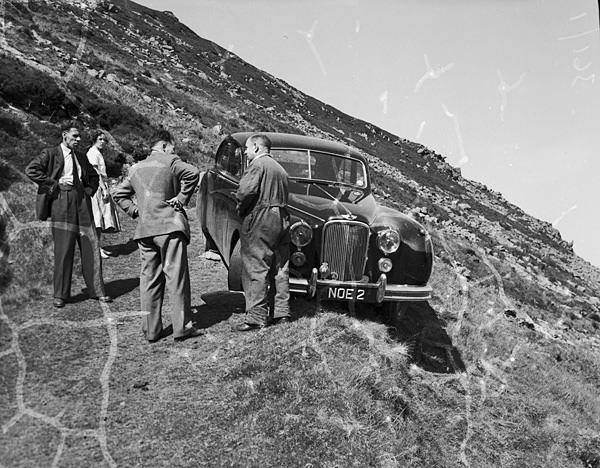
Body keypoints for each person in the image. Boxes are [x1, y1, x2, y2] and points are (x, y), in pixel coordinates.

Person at [113, 129, 203, 342]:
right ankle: (182, 327)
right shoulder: (170, 161)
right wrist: (181, 198)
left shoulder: (136, 168)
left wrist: (135, 211)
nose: (175, 151)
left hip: (145, 231)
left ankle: (151, 331)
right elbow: (193, 172)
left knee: (149, 281)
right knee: (176, 278)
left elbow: (118, 193)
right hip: (169, 228)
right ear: (164, 145)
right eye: (173, 147)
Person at [25, 121, 112, 308]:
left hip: (82, 203)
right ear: (64, 135)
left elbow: (93, 176)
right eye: (75, 136)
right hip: (61, 203)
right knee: (64, 249)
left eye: (79, 136)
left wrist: (88, 191)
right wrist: (54, 185)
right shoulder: (50, 154)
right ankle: (61, 294)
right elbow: (31, 170)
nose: (78, 140)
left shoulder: (81, 157)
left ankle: (97, 290)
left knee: (91, 246)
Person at [235, 134, 291, 331]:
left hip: (262, 216)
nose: (245, 151)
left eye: (248, 148)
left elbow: (245, 191)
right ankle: (282, 313)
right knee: (280, 267)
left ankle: (257, 317)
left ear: (257, 147)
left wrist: (241, 209)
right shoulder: (281, 169)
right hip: (283, 218)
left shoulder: (258, 166)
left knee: (256, 266)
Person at [86, 130, 121, 259]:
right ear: (94, 139)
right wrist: (103, 188)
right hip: (97, 188)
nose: (102, 142)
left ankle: (98, 247)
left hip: (102, 186)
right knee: (97, 218)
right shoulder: (92, 153)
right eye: (100, 139)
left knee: (100, 218)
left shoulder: (97, 153)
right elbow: (96, 173)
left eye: (104, 140)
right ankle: (95, 249)